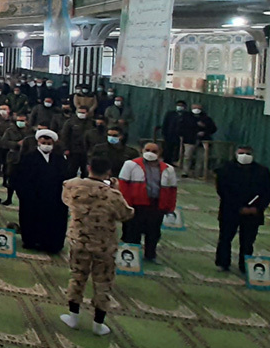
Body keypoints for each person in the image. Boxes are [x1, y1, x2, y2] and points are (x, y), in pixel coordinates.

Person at [61, 156, 134, 336]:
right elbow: (126, 214)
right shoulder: (112, 195)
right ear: (108, 172)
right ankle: (98, 323)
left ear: (89, 168)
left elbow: (65, 200)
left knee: (77, 277)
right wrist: (116, 190)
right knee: (103, 282)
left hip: (79, 241)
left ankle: (73, 316)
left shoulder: (71, 185)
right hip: (104, 245)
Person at [213, 146, 270, 273]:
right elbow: (223, 191)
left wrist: (257, 208)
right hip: (230, 211)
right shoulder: (225, 169)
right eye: (241, 153)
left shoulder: (262, 172)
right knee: (225, 238)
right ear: (236, 154)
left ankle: (245, 265)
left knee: (248, 241)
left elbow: (267, 193)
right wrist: (238, 207)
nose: (244, 156)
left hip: (253, 213)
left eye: (247, 153)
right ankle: (223, 263)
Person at [118, 142, 178, 262]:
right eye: (147, 150)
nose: (150, 153)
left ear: (159, 153)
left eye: (154, 151)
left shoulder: (169, 169)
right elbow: (123, 186)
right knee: (133, 232)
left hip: (156, 206)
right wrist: (126, 205)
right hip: (136, 205)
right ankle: (131, 259)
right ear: (142, 150)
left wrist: (170, 208)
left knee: (153, 232)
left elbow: (172, 190)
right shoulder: (130, 165)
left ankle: (150, 255)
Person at [12, 129, 69, 253]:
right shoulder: (28, 158)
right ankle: (31, 241)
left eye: (49, 143)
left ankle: (50, 244)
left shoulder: (59, 159)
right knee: (31, 219)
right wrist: (25, 195)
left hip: (53, 198)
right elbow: (20, 178)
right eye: (43, 143)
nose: (46, 145)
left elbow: (65, 177)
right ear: (38, 142)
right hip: (33, 197)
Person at [180, 103, 218, 178]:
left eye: (198, 108)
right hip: (189, 140)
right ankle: (185, 172)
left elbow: (213, 129)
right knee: (187, 156)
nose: (196, 110)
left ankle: (198, 173)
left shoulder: (206, 118)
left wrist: (205, 130)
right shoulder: (186, 117)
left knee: (200, 158)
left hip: (203, 141)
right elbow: (182, 128)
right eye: (195, 108)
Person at [161, 99, 189, 165]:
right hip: (170, 135)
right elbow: (165, 124)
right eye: (178, 105)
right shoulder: (170, 114)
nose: (180, 107)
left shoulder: (187, 115)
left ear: (185, 107)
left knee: (178, 150)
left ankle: (176, 162)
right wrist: (164, 133)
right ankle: (166, 162)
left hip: (181, 136)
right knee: (168, 149)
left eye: (181, 106)